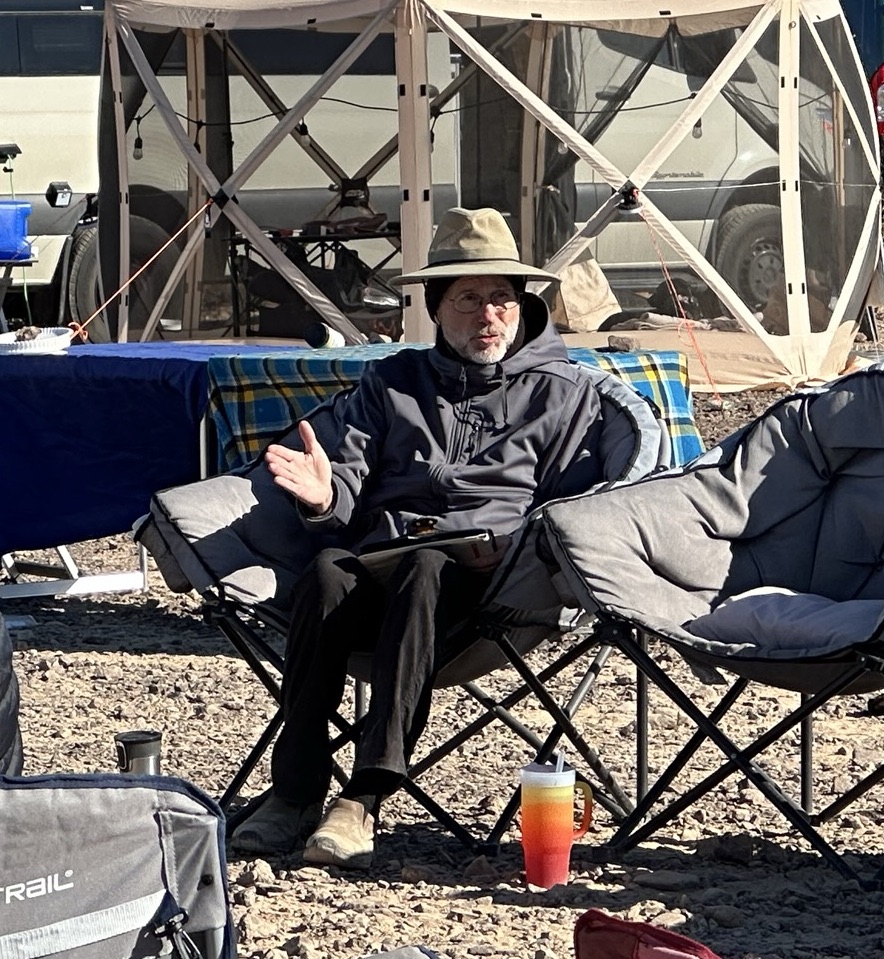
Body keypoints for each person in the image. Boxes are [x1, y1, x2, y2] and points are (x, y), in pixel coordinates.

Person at [230, 206, 605, 867]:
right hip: (381, 568)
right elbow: (345, 482)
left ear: (520, 305)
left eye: (501, 297)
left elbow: (573, 505)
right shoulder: (392, 381)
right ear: (436, 307)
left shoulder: (563, 394)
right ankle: (293, 791)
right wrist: (323, 497)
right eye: (468, 299)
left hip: (491, 587)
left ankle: (365, 796)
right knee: (326, 570)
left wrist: (520, 545)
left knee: (428, 564)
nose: (488, 315)